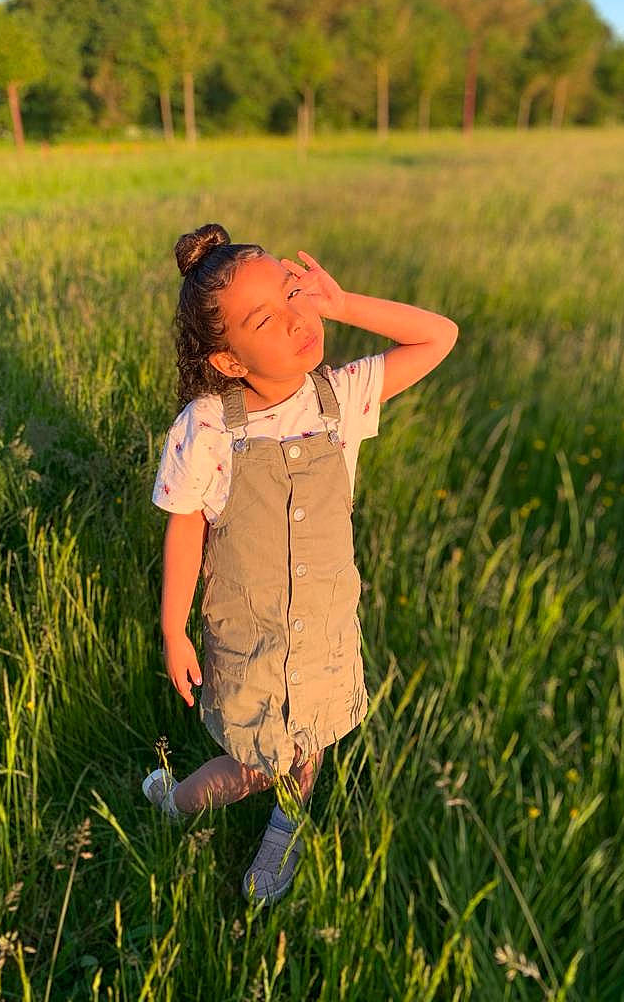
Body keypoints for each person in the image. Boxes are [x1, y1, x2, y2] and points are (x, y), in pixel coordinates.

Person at [143, 222, 458, 904]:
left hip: (322, 625)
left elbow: (440, 335)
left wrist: (341, 303)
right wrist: (173, 629)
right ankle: (176, 804)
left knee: (308, 740)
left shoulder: (338, 398)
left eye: (294, 295)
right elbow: (186, 528)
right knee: (253, 761)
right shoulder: (206, 426)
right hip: (249, 631)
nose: (295, 320)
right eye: (267, 318)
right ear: (228, 360)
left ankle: (288, 823)